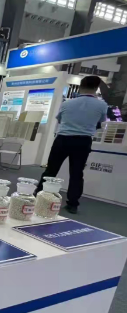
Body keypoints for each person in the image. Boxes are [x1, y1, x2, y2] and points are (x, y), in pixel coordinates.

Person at [35, 75, 107, 214]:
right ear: (96, 87)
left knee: (51, 170)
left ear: (80, 86)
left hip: (63, 139)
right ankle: (73, 204)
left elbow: (60, 120)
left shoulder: (67, 103)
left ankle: (38, 195)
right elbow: (100, 122)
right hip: (83, 141)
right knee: (76, 173)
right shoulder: (102, 105)